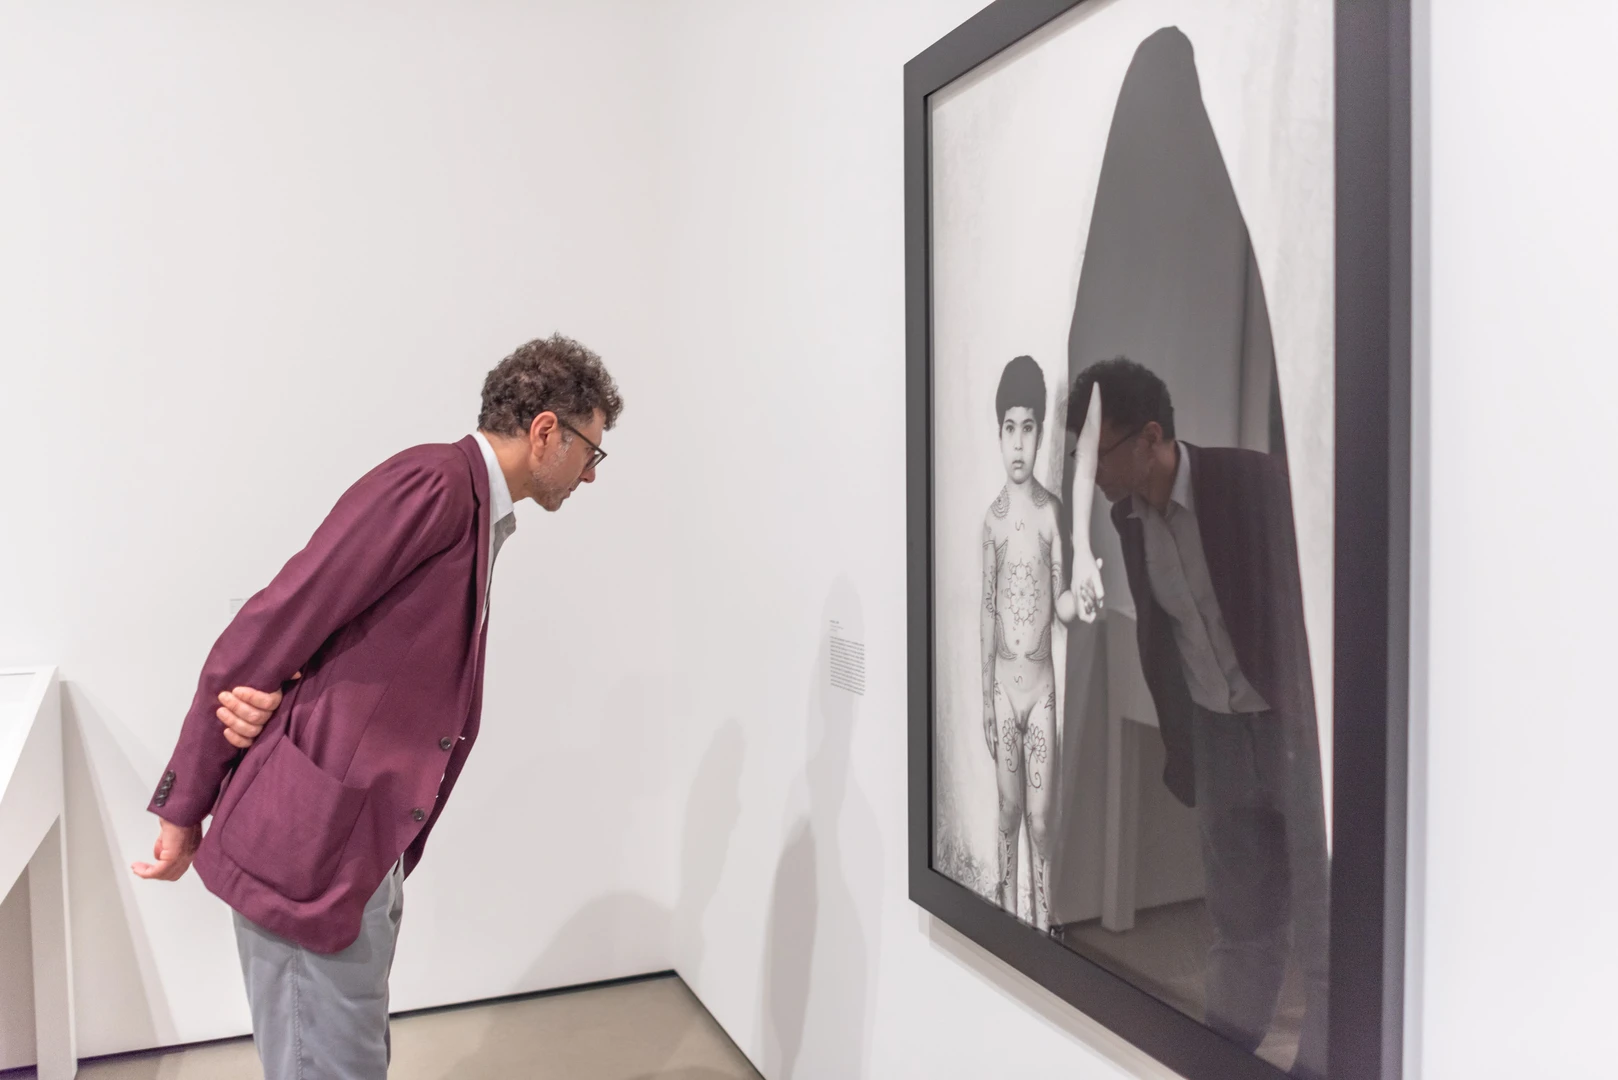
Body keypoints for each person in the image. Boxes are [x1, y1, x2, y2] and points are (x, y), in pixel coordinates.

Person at [131, 333, 623, 1080]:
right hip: (310, 851)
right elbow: (279, 619)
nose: (591, 476)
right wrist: (182, 803)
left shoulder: (472, 508)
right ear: (546, 430)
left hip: (358, 846)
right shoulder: (430, 484)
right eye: (592, 450)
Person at [1067, 356, 1329, 1079]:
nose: (1089, 472)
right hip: (1218, 738)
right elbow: (1169, 633)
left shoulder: (1253, 483)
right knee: (1241, 931)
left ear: (1151, 437)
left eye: (1100, 451)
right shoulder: (1128, 522)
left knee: (1326, 930)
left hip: (1294, 731)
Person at [979, 355, 1065, 930]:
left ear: (1041, 432)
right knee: (1008, 811)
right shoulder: (990, 522)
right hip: (1004, 694)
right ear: (999, 433)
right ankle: (1010, 921)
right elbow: (986, 611)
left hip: (1040, 696)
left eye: (1028, 428)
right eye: (1009, 428)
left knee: (1039, 818)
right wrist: (984, 694)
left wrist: (1077, 601)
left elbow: (1057, 604)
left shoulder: (1051, 515)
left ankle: (1046, 924)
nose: (1018, 443)